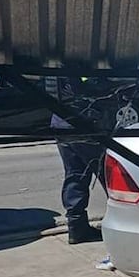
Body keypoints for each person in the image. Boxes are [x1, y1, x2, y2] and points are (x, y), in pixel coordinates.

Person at [48, 76, 107, 245]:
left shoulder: (54, 64)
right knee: (108, 174)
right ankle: (126, 223)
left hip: (61, 123)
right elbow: (92, 86)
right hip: (83, 121)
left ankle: (77, 227)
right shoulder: (79, 60)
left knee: (75, 174)